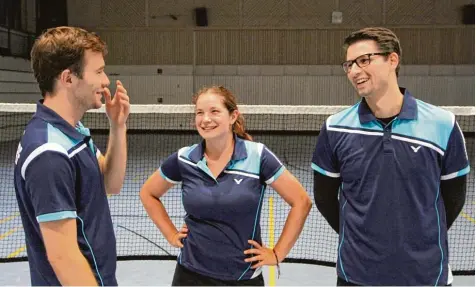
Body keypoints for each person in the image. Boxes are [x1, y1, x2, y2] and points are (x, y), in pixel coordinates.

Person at [311, 27, 469, 286]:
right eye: (349, 64)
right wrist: (361, 236)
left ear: (392, 60)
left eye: (364, 60)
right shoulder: (335, 128)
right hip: (356, 275)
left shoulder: (443, 124)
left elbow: (454, 198)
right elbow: (325, 198)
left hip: (425, 276)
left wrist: (419, 237)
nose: (354, 71)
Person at [140, 85, 312, 286]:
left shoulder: (257, 156)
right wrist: (171, 234)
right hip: (189, 274)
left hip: (241, 278)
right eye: (199, 113)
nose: (205, 119)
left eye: (214, 111)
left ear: (232, 116)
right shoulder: (184, 159)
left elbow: (301, 201)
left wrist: (277, 253)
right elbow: (148, 193)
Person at [13, 26, 130, 286]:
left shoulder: (71, 131)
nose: (106, 81)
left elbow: (111, 183)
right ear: (68, 78)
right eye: (98, 72)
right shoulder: (49, 153)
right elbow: (64, 257)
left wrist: (118, 126)